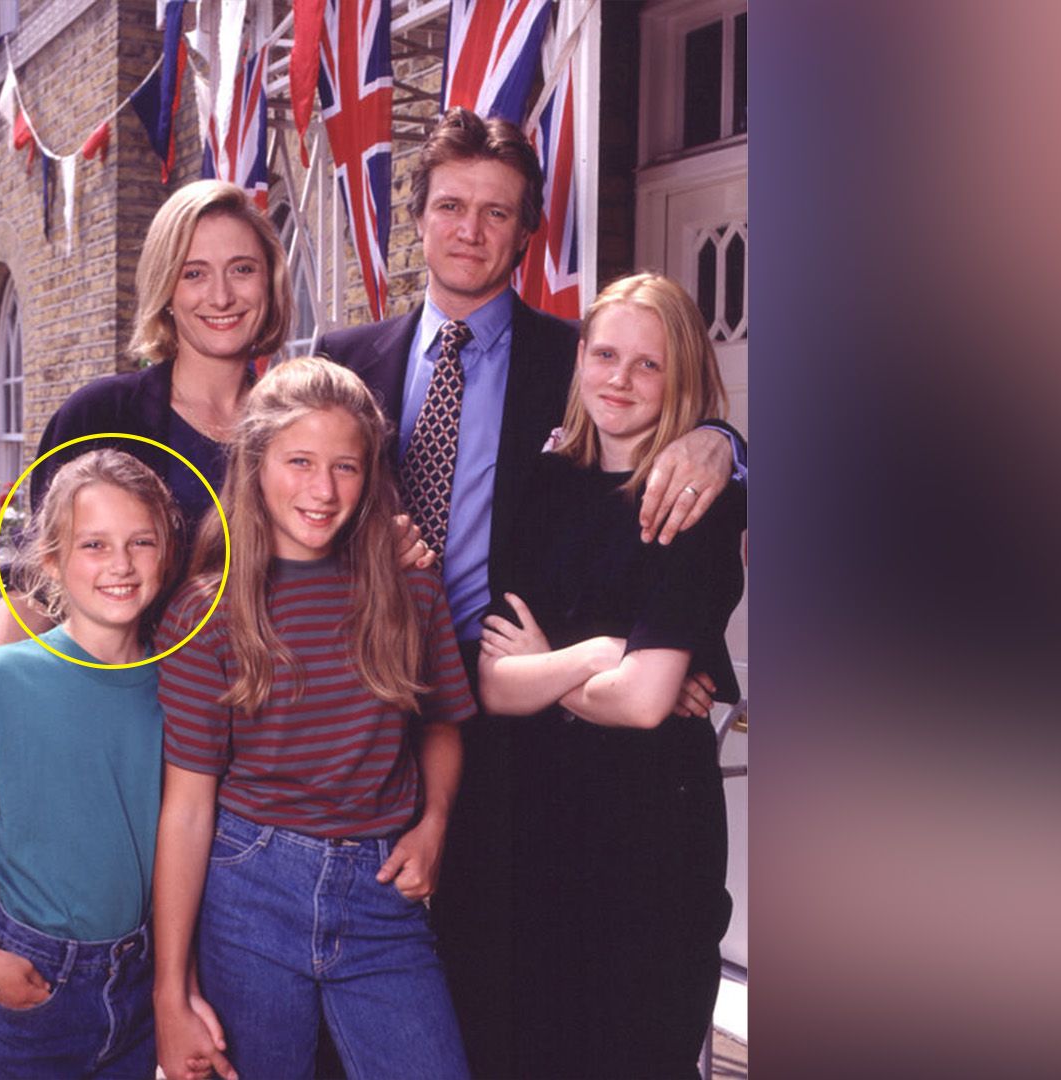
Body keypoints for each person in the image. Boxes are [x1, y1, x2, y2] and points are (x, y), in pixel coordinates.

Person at [313, 106, 746, 1074]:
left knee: (500, 997)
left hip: (515, 744)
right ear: (417, 217)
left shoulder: (575, 364)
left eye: (497, 212)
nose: (471, 230)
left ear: (526, 232)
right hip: (356, 719)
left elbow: (661, 438)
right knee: (339, 1004)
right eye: (452, 206)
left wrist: (726, 445)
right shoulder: (342, 363)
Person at [150, 358, 474, 1080]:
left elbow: (444, 723)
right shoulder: (206, 613)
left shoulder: (409, 586)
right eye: (299, 461)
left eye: (346, 467)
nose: (323, 491)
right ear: (256, 462)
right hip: (248, 892)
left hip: (382, 895)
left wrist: (435, 824)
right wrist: (171, 991)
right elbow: (188, 809)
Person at [0, 179, 296, 807]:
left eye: (242, 269)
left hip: (266, 763)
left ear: (269, 283)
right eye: (193, 273)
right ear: (165, 289)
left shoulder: (299, 429)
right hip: (118, 749)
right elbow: (38, 587)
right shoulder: (102, 416)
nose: (221, 295)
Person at [477, 273, 745, 1079]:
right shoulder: (541, 488)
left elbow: (643, 702)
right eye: (604, 354)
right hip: (543, 829)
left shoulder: (698, 501)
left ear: (682, 377)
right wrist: (599, 656)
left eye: (647, 365)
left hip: (651, 844)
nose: (619, 380)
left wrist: (548, 670)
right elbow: (495, 684)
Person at [0, 449, 233, 1080]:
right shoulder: (6, 679)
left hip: (135, 980)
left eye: (141, 542)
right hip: (30, 982)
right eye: (94, 545)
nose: (121, 565)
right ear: (51, 559)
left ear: (168, 553)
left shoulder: (176, 682)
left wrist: (173, 984)